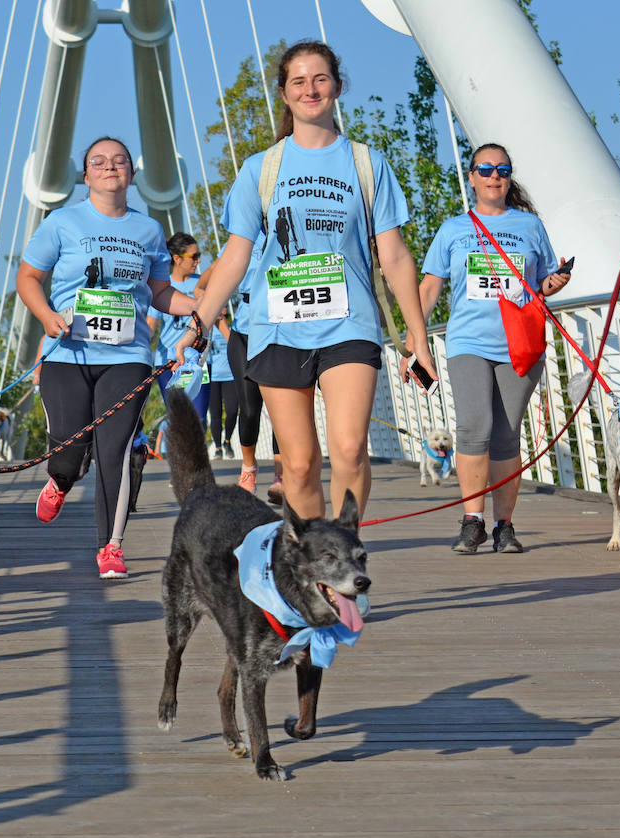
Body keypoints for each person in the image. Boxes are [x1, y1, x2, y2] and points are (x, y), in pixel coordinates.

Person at [175, 39, 437, 522]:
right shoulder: (261, 169)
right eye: (299, 81)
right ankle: (312, 565)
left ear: (337, 86)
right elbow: (235, 257)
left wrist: (417, 337)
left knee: (351, 449)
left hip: (349, 323)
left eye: (320, 79)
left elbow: (395, 257)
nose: (310, 89)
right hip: (279, 329)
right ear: (284, 93)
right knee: (297, 465)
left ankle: (345, 552)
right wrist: (200, 322)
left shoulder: (367, 164)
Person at [17, 137, 199, 579]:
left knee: (114, 448)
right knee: (68, 448)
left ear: (132, 175)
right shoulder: (61, 222)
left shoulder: (150, 230)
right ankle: (60, 479)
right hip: (67, 353)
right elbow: (28, 277)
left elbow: (158, 292)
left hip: (128, 355)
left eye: (119, 161)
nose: (110, 167)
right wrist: (45, 316)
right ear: (85, 176)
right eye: (98, 161)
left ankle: (111, 546)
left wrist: (197, 309)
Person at [416, 144, 571, 554]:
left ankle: (504, 526)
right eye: (485, 169)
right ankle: (473, 521)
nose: (494, 176)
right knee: (473, 427)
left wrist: (553, 285)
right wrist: (416, 341)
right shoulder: (453, 229)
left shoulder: (530, 226)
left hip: (518, 342)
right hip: (468, 341)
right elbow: (430, 286)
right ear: (472, 177)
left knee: (506, 436)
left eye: (502, 169)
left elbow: (540, 285)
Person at [225, 243, 281, 498]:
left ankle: (281, 475)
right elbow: (210, 281)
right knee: (248, 408)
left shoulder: (289, 224)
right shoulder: (245, 235)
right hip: (244, 332)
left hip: (281, 330)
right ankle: (249, 468)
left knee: (282, 408)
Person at [149, 232, 213, 424]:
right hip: (169, 362)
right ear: (176, 259)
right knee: (178, 419)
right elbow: (151, 325)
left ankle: (197, 455)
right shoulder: (163, 286)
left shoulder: (201, 284)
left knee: (199, 417)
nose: (198, 260)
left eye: (199, 255)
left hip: (198, 360)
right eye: (193, 256)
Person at [206, 311, 238, 459]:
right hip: (212, 377)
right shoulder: (206, 330)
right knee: (215, 414)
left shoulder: (232, 328)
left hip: (230, 376)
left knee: (232, 411)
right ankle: (218, 448)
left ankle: (227, 441)